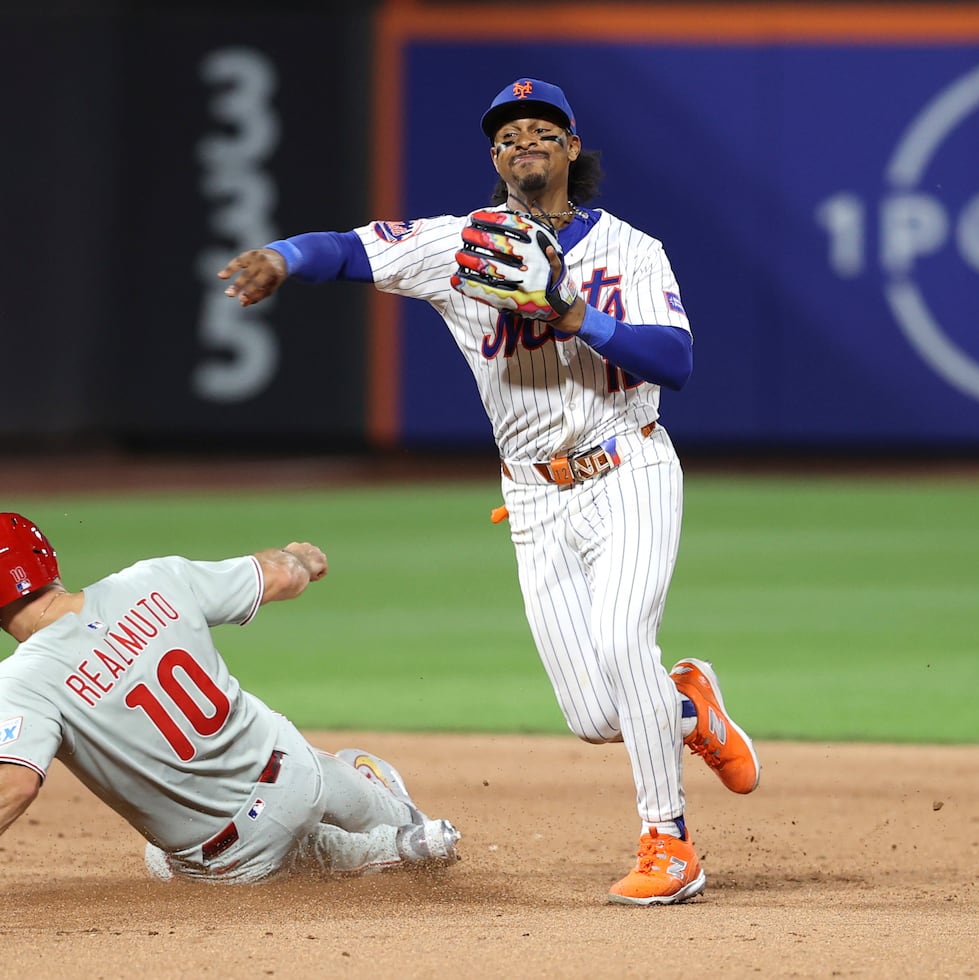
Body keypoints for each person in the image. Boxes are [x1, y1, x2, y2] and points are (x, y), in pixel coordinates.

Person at [218, 77, 760, 905]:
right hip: (535, 496)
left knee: (624, 645)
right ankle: (691, 709)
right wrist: (282, 259)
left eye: (543, 129)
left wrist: (577, 316)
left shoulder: (633, 249)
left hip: (631, 465)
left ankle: (669, 843)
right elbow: (349, 249)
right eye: (507, 136)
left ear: (573, 149)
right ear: (495, 158)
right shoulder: (457, 244)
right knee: (594, 716)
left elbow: (677, 363)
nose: (524, 142)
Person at [0, 512, 460, 884]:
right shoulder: (152, 580)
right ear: (49, 561)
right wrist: (298, 557)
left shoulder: (22, 681)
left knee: (165, 861)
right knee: (320, 775)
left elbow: (16, 785)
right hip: (296, 768)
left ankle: (382, 852)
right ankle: (404, 825)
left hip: (233, 852)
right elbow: (281, 575)